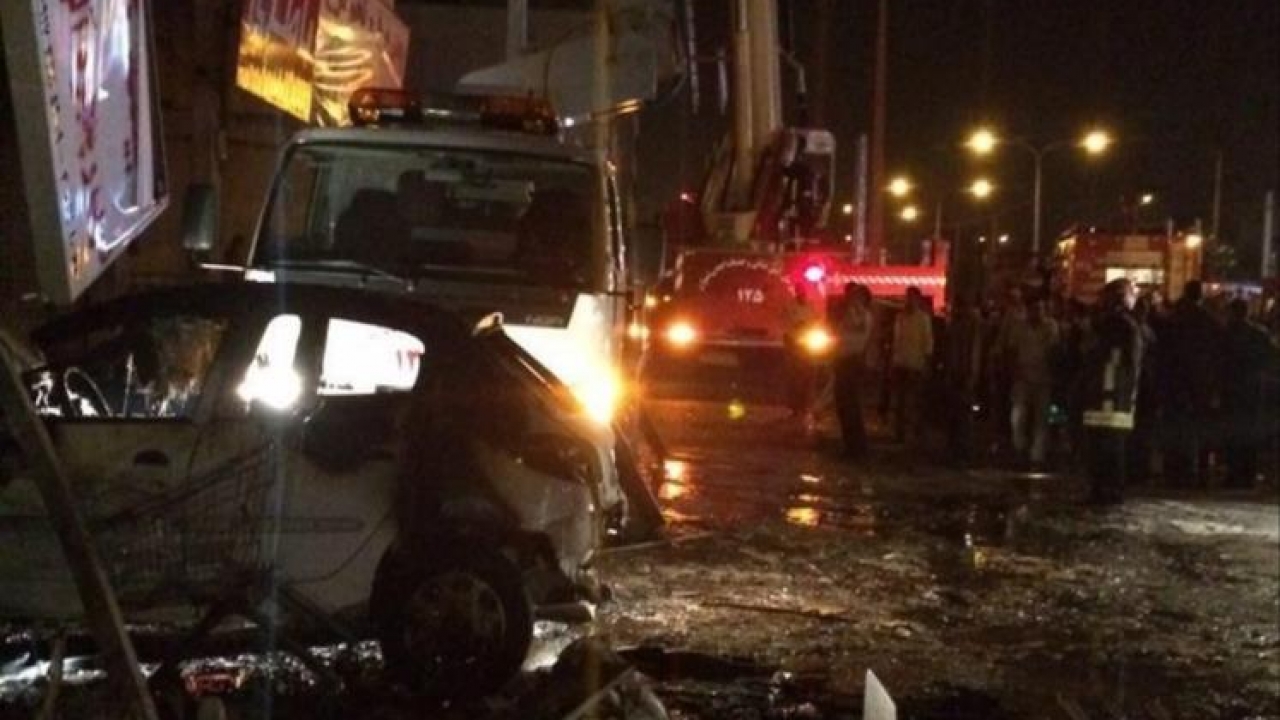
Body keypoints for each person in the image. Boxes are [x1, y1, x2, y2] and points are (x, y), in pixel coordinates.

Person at [1080, 278, 1144, 504]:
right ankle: (1108, 489)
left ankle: (1103, 488)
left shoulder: (1106, 325)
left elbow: (1090, 356)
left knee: (1103, 446)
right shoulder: (1125, 326)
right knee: (1110, 447)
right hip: (1114, 397)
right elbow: (1133, 362)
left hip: (1103, 396)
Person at [1161, 280, 1221, 488]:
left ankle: (1173, 471)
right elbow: (1217, 352)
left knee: (1175, 425)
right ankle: (1199, 471)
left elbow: (1164, 349)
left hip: (1175, 381)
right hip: (1199, 382)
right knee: (1200, 427)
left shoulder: (1173, 318)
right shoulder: (1207, 320)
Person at [1219, 299, 1279, 488]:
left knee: (1233, 431)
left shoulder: (1226, 334)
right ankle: (1248, 473)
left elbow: (1218, 361)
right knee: (1250, 431)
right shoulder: (1259, 334)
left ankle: (1233, 473)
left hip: (1231, 388)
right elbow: (1272, 358)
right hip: (1253, 389)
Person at [1005, 294, 1059, 470]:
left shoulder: (1051, 326)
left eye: (1040, 309)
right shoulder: (1019, 327)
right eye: (1034, 309)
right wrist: (1014, 371)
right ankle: (1019, 449)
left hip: (1043, 378)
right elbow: (1012, 350)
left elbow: (1054, 351)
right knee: (1018, 416)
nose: (1037, 313)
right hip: (1022, 377)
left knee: (1041, 418)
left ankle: (1037, 455)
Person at [833, 283, 874, 457]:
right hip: (842, 360)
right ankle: (850, 444)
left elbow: (856, 325)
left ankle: (857, 446)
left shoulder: (864, 316)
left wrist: (852, 307)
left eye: (857, 296)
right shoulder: (850, 313)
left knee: (851, 405)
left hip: (852, 361)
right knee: (843, 405)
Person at [943, 296, 984, 467]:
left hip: (963, 373)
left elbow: (973, 351)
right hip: (957, 372)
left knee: (963, 414)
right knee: (957, 413)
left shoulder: (970, 325)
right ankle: (957, 449)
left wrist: (972, 374)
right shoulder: (956, 325)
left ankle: (963, 450)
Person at [890, 286, 934, 445]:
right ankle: (900, 433)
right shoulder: (900, 317)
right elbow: (897, 340)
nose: (909, 300)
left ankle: (915, 432)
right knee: (901, 401)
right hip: (901, 363)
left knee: (914, 401)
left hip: (915, 364)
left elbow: (928, 342)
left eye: (912, 298)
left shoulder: (923, 319)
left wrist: (926, 363)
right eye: (908, 297)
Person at [783, 284, 820, 421]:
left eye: (803, 292)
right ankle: (794, 407)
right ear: (796, 292)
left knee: (807, 377)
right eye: (799, 291)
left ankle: (805, 406)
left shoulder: (810, 307)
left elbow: (816, 321)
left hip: (808, 346)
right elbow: (788, 324)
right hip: (794, 346)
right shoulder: (790, 307)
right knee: (795, 378)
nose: (802, 294)